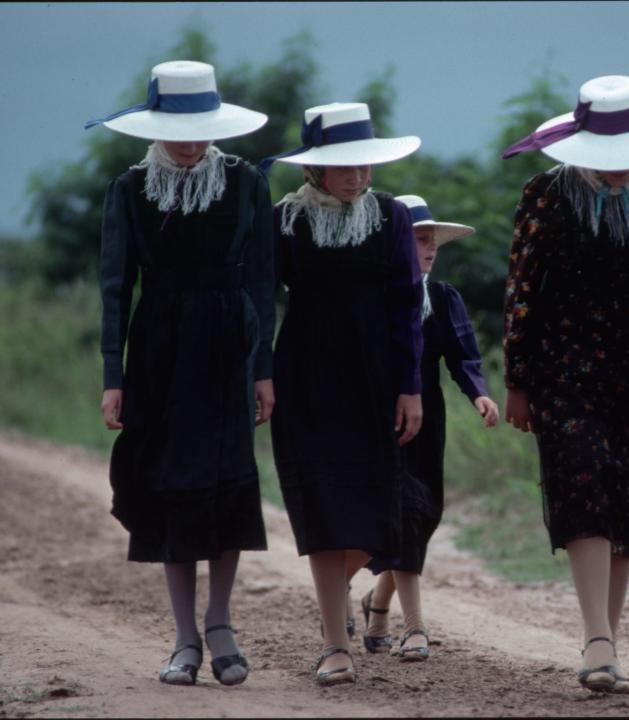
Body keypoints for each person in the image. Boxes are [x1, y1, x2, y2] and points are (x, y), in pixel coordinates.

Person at [501, 74, 629, 695]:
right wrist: (516, 379)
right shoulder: (546, 193)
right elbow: (521, 290)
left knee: (627, 503)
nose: (617, 171)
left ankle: (604, 648)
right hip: (562, 367)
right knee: (583, 486)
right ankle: (598, 641)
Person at [89, 60, 273, 687]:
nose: (191, 141)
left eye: (201, 127)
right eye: (178, 128)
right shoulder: (129, 188)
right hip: (160, 349)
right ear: (155, 126)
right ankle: (184, 638)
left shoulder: (247, 182)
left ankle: (220, 624)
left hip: (229, 346)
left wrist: (263, 370)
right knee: (170, 485)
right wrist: (114, 375)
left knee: (225, 483)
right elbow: (115, 287)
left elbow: (261, 281)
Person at [259, 102, 424, 687]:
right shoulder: (284, 220)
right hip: (305, 375)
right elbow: (259, 300)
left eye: (364, 164)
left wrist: (411, 387)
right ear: (314, 171)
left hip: (375, 379)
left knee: (385, 515)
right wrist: (261, 372)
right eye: (342, 166)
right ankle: (334, 644)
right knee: (322, 508)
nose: (357, 176)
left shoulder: (393, 217)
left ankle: (343, 591)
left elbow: (408, 308)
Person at [357, 194, 500, 662]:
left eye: (433, 242)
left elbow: (463, 355)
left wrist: (479, 391)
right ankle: (414, 627)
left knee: (425, 514)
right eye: (420, 240)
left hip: (429, 416)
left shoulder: (443, 298)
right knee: (403, 512)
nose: (430, 249)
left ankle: (377, 603)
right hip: (379, 417)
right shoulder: (372, 296)